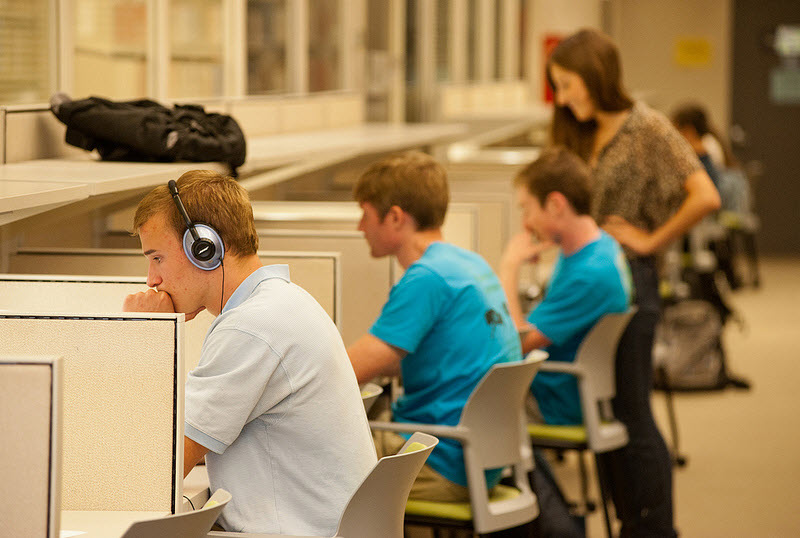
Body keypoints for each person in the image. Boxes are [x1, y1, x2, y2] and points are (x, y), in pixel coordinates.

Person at [122, 170, 376, 535]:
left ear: (204, 248)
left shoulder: (252, 327)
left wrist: (146, 337)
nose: (151, 279)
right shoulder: (282, 301)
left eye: (157, 258)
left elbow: (160, 466)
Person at [546, 28, 721, 537]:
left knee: (631, 408)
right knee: (603, 408)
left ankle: (656, 528)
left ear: (595, 77)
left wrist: (652, 240)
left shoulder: (647, 128)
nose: (562, 97)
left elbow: (705, 195)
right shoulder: (573, 130)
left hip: (630, 282)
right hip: (586, 280)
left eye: (568, 84)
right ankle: (629, 518)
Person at [346, 151, 522, 502]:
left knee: (313, 473)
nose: (359, 227)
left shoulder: (427, 278)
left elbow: (343, 373)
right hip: (479, 457)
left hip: (439, 460)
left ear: (395, 217)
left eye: (365, 214)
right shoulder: (468, 263)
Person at [499, 146, 631, 427]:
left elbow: (515, 344)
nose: (525, 223)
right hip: (564, 388)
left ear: (556, 205)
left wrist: (509, 269)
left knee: (458, 400)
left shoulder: (590, 274)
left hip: (553, 400)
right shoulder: (599, 247)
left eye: (527, 209)